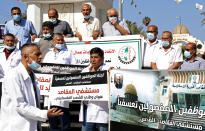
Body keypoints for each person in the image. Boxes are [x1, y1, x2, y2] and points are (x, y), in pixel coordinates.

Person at [0, 44, 64, 131]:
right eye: (37, 54)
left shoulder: (32, 75)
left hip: (32, 125)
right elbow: (20, 105)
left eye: (40, 54)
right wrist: (44, 113)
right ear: (26, 57)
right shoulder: (13, 75)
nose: (41, 57)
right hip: (16, 126)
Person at [43, 33, 77, 131]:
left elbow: (75, 68)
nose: (60, 42)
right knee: (52, 118)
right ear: (53, 42)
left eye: (62, 40)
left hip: (63, 88)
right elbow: (44, 69)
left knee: (64, 117)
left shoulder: (68, 54)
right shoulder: (48, 54)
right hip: (50, 89)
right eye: (58, 40)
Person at [79, 47, 109, 131]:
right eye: (91, 57)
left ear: (102, 58)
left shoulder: (108, 70)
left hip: (102, 109)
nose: (93, 60)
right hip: (87, 108)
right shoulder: (85, 71)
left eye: (96, 57)